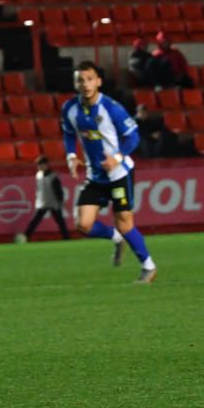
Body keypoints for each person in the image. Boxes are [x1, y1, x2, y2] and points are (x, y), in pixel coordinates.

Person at [62, 61, 156, 283]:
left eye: (89, 79)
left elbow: (133, 137)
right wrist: (71, 156)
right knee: (83, 224)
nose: (85, 84)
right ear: (75, 83)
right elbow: (67, 133)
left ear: (98, 82)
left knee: (125, 222)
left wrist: (117, 157)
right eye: (81, 80)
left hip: (118, 175)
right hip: (95, 176)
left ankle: (148, 266)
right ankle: (115, 237)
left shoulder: (112, 108)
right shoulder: (70, 109)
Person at [19, 156, 69, 241]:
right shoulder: (38, 175)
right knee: (34, 221)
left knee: (60, 222)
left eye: (40, 165)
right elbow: (39, 189)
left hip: (53, 203)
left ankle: (66, 237)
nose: (39, 167)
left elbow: (58, 190)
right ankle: (26, 236)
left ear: (46, 165)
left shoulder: (53, 176)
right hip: (42, 203)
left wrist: (60, 201)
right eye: (38, 165)